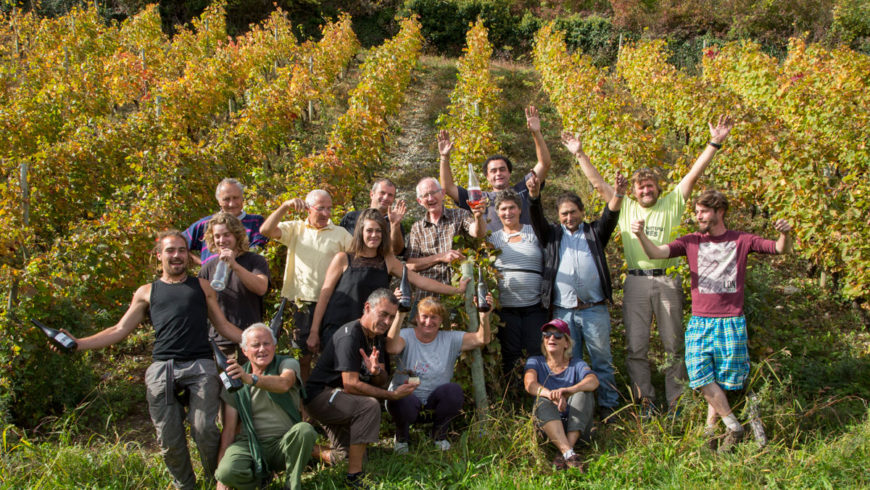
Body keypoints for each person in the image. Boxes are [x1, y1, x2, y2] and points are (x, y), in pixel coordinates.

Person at [566, 115, 734, 413]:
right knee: (636, 347)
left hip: (666, 281)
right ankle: (645, 400)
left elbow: (693, 175)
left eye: (650, 186)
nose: (646, 190)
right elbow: (597, 183)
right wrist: (579, 153)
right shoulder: (626, 206)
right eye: (641, 187)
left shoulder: (671, 203)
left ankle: (676, 402)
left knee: (673, 345)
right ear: (634, 190)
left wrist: (715, 143)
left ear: (658, 188)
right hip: (636, 283)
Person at [60, 231, 243, 489]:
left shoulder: (202, 287)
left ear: (187, 256)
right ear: (159, 256)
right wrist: (78, 343)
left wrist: (258, 339)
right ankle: (185, 486)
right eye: (170, 250)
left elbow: (223, 326)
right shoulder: (147, 292)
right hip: (162, 368)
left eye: (181, 250)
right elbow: (119, 330)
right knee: (169, 439)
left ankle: (219, 480)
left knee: (204, 428)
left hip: (200, 365)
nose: (176, 255)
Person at [631, 189, 792, 451]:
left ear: (720, 212)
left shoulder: (742, 240)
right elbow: (655, 253)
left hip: (731, 321)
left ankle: (710, 433)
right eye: (696, 212)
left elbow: (778, 248)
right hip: (700, 320)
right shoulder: (691, 241)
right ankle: (734, 426)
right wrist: (639, 235)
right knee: (698, 374)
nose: (698, 216)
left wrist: (785, 234)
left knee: (721, 379)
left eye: (703, 211)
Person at [528, 171, 628, 422]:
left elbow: (611, 214)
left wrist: (618, 193)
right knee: (573, 362)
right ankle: (578, 410)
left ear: (582, 212)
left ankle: (608, 407)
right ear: (559, 216)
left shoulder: (594, 233)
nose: (569, 217)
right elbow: (537, 218)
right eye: (564, 213)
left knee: (602, 359)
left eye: (573, 212)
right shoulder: (552, 235)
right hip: (564, 312)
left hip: (594, 309)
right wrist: (534, 195)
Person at [309, 209, 469, 354]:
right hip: (339, 331)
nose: (374, 235)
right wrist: (314, 332)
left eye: (378, 231)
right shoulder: (343, 259)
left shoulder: (387, 261)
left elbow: (420, 281)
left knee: (371, 378)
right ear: (360, 232)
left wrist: (457, 290)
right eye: (369, 230)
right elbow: (325, 296)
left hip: (373, 333)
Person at [303, 289, 418, 486]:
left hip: (343, 399)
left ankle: (306, 449)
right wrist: (392, 395)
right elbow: (351, 384)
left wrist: (376, 373)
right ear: (367, 308)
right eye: (383, 314)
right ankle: (354, 477)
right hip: (320, 397)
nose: (387, 322)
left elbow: (380, 381)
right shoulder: (350, 335)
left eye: (391, 317)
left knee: (347, 456)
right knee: (369, 406)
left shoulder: (377, 337)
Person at [260, 189, 352, 380]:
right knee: (303, 357)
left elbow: (357, 262)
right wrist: (285, 206)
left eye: (329, 208)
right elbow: (265, 230)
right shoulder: (295, 229)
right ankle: (303, 402)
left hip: (331, 304)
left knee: (331, 354)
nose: (326, 214)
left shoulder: (341, 234)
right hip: (301, 303)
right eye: (321, 208)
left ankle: (326, 398)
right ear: (308, 209)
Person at [384, 295, 493, 453]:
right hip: (406, 402)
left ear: (441, 320)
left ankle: (439, 436)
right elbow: (392, 348)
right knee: (401, 397)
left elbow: (482, 339)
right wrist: (400, 314)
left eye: (434, 317)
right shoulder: (406, 335)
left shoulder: (450, 339)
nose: (428, 322)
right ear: (416, 317)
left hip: (433, 403)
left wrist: (484, 315)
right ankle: (402, 438)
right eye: (424, 316)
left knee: (453, 391)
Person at [214, 324, 316, 490]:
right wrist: (221, 479)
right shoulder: (235, 379)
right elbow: (229, 430)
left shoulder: (287, 363)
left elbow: (284, 383)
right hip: (250, 445)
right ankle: (259, 481)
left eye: (267, 344)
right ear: (245, 351)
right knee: (226, 472)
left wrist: (251, 379)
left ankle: (291, 484)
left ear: (274, 346)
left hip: (282, 443)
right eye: (255, 345)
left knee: (304, 431)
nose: (262, 349)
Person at [438, 106, 553, 231]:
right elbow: (448, 188)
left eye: (502, 169)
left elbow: (544, 164)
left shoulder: (524, 189)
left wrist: (536, 133)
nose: (498, 173)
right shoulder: (478, 199)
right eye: (493, 171)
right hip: (494, 250)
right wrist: (444, 157)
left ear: (509, 173)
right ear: (487, 177)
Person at [486, 189, 547, 381]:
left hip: (534, 306)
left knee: (536, 350)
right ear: (497, 213)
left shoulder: (534, 232)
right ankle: (513, 396)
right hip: (506, 309)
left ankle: (539, 394)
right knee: (510, 353)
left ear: (520, 210)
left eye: (512, 207)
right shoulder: (493, 238)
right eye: (503, 209)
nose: (508, 212)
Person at [524, 319, 599, 471]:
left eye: (558, 335)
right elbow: (530, 384)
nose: (551, 338)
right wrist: (550, 394)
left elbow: (593, 381)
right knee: (542, 400)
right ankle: (568, 453)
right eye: (547, 335)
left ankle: (565, 450)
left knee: (584, 393)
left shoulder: (576, 364)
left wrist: (569, 390)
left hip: (577, 427)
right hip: (547, 430)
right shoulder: (535, 361)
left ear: (567, 343)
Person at [199, 212, 270, 359]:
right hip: (220, 344)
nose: (221, 240)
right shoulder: (207, 268)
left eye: (226, 235)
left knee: (252, 382)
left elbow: (261, 288)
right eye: (217, 236)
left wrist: (235, 265)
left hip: (252, 342)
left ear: (237, 235)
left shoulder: (255, 261)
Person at [406, 177, 485, 301]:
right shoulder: (417, 228)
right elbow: (410, 265)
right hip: (427, 298)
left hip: (459, 295)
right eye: (425, 195)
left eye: (433, 193)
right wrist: (440, 257)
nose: (431, 198)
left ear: (442, 193)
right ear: (419, 201)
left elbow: (477, 232)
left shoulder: (460, 215)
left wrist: (479, 217)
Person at [184, 178, 267, 265]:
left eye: (235, 198)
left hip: (243, 276)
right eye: (226, 199)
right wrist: (203, 264)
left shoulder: (256, 222)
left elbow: (257, 253)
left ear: (242, 198)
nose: (232, 203)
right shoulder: (206, 224)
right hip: (209, 278)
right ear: (219, 201)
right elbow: (177, 243)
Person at [339, 178, 406, 255]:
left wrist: (394, 225)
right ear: (372, 194)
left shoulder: (395, 223)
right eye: (382, 193)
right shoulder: (351, 218)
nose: (386, 197)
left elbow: (396, 252)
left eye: (390, 195)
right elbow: (338, 244)